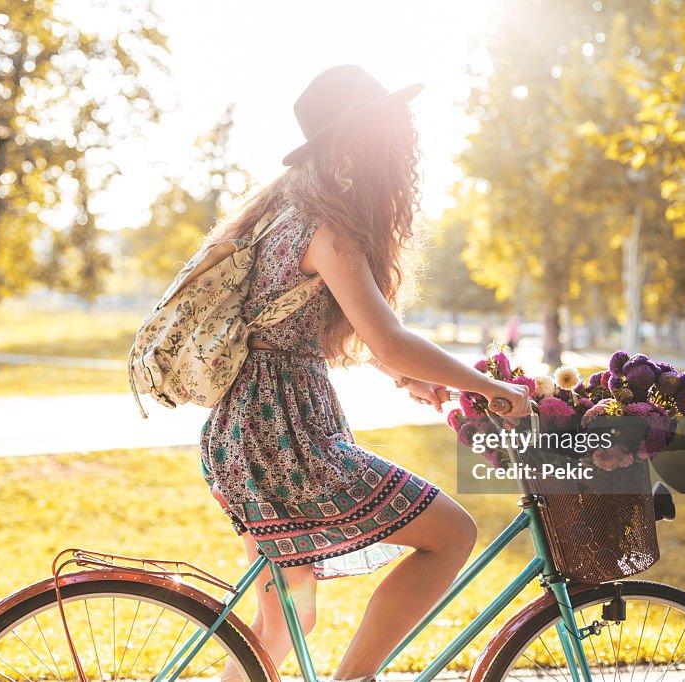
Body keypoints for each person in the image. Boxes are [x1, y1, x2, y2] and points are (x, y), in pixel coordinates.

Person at [197, 64, 534, 682]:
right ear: (354, 140)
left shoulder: (285, 213)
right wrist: (488, 388)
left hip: (246, 432)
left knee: (283, 626)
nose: (402, 139)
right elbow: (389, 336)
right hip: (284, 442)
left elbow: (310, 327)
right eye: (388, 126)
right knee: (452, 534)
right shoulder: (330, 228)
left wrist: (404, 374)